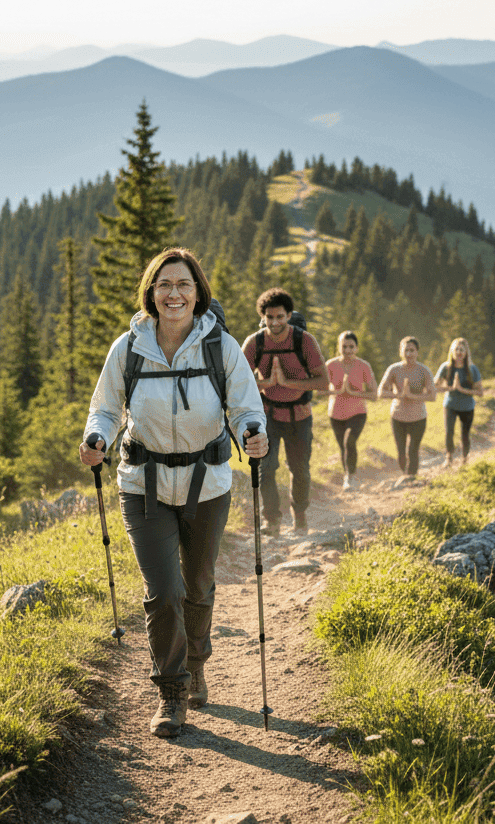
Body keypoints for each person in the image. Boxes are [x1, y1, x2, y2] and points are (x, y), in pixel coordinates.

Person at [80, 247, 268, 740]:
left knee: (199, 584)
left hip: (207, 483)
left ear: (198, 292)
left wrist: (253, 431)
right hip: (143, 484)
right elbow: (104, 409)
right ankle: (171, 689)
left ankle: (197, 661)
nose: (174, 293)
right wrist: (96, 438)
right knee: (164, 592)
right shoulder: (128, 347)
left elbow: (247, 406)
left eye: (183, 285)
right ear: (151, 293)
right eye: (165, 285)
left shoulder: (219, 346)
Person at [242, 288, 329, 537]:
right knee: (266, 468)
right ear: (263, 317)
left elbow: (323, 381)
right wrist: (267, 384)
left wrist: (289, 383)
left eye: (280, 316)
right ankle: (272, 521)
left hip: (300, 415)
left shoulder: (304, 341)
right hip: (267, 414)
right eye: (270, 317)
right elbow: (237, 381)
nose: (275, 322)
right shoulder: (255, 343)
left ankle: (299, 515)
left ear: (289, 315)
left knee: (299, 469)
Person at [325, 330, 377, 490]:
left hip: (357, 412)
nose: (347, 350)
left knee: (350, 441)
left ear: (357, 348)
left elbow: (374, 394)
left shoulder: (363, 366)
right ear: (339, 347)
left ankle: (350, 477)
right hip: (336, 413)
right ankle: (348, 475)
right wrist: (338, 391)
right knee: (343, 447)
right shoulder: (331, 365)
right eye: (344, 346)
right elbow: (319, 390)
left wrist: (354, 392)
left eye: (351, 347)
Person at [378, 336, 435, 478]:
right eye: (406, 350)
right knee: (401, 452)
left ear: (417, 352)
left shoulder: (424, 371)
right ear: (400, 352)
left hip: (418, 417)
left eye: (412, 350)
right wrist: (398, 395)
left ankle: (412, 477)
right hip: (398, 417)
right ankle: (405, 475)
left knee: (413, 450)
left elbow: (432, 396)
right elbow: (381, 392)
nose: (409, 354)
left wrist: (412, 396)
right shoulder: (394, 369)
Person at [434, 337, 484, 466]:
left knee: (465, 434)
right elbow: (435, 387)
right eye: (456, 349)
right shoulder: (445, 367)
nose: (459, 352)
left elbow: (480, 392)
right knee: (449, 432)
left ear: (466, 352)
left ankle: (464, 459)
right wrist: (450, 388)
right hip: (450, 405)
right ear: (452, 351)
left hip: (467, 407)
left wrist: (462, 389)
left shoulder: (473, 369)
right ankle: (449, 457)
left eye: (462, 349)